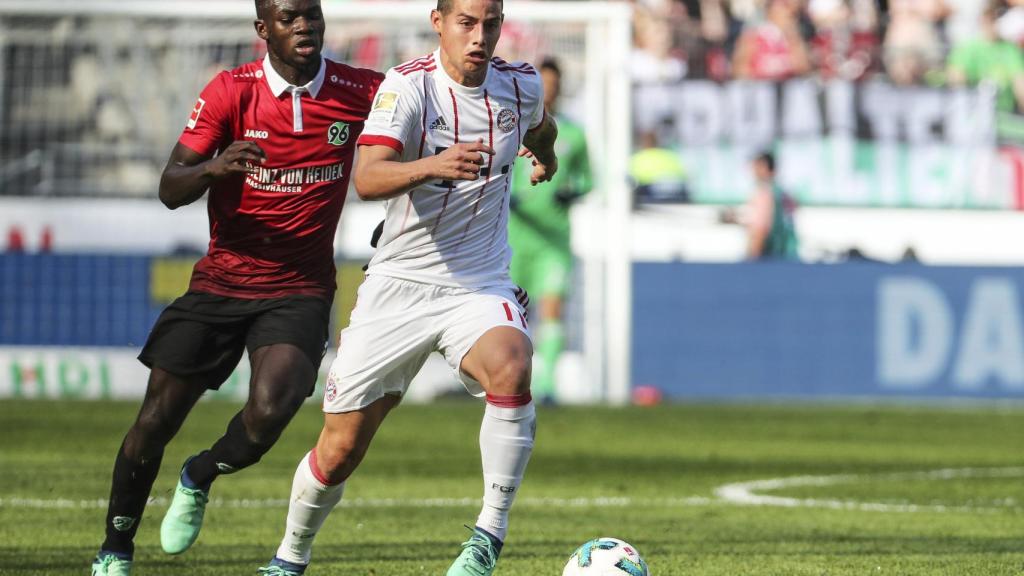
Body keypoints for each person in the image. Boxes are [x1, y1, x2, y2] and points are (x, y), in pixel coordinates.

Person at [257, 0, 558, 573]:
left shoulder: (520, 85)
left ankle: (486, 540)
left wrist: (546, 159)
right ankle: (289, 557)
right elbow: (368, 177)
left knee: (513, 365)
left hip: (478, 282)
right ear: (438, 22)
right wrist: (433, 165)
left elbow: (542, 129)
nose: (480, 37)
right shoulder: (408, 87)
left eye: (490, 24)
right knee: (341, 449)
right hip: (399, 285)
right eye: (467, 23)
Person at [90, 1, 384, 574]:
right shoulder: (231, 91)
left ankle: (200, 473)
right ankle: (115, 547)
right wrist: (214, 169)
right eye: (290, 17)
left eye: (313, 15)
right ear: (263, 29)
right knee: (154, 422)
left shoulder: (360, 89)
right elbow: (170, 187)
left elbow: (415, 130)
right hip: (222, 283)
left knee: (272, 410)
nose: (305, 26)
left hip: (300, 288)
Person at [508, 57, 591, 403]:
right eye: (544, 86)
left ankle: (546, 385)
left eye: (554, 86)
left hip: (553, 239)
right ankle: (513, 380)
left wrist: (573, 191)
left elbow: (588, 179)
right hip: (514, 238)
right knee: (513, 314)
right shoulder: (510, 127)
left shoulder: (573, 134)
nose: (549, 92)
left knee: (553, 308)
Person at [721, 151, 798, 260]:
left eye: (757, 166)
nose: (753, 171)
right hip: (786, 258)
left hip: (768, 257)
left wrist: (751, 260)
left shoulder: (763, 193)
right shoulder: (782, 193)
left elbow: (760, 229)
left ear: (766, 168)